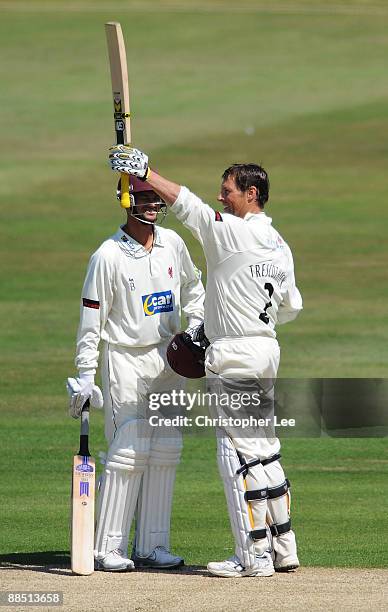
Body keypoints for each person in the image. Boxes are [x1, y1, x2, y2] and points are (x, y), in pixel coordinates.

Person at [108, 145, 303, 578]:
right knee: (264, 450)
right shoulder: (279, 243)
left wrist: (145, 171)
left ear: (251, 194)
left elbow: (187, 205)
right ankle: (283, 548)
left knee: (235, 455)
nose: (221, 198)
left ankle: (252, 558)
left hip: (234, 356)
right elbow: (290, 306)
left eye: (228, 191)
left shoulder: (232, 233)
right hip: (266, 351)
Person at [67, 175, 205, 571]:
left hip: (170, 359)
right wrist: (85, 375)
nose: (151, 205)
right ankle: (107, 547)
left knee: (166, 449)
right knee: (128, 451)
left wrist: (195, 328)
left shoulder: (173, 245)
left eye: (154, 199)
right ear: (125, 201)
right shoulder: (106, 256)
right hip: (125, 359)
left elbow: (195, 289)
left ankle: (152, 546)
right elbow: (90, 323)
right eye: (143, 198)